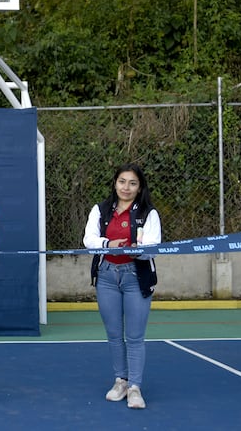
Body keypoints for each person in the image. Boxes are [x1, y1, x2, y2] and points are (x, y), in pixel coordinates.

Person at [83, 163, 161, 410]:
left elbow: (152, 245)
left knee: (135, 336)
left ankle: (135, 387)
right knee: (114, 334)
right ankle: (121, 381)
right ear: (115, 183)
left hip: (135, 277)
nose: (126, 188)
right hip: (106, 276)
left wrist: (132, 249)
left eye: (132, 183)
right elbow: (89, 240)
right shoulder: (101, 210)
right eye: (122, 182)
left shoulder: (149, 213)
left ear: (139, 188)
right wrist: (108, 244)